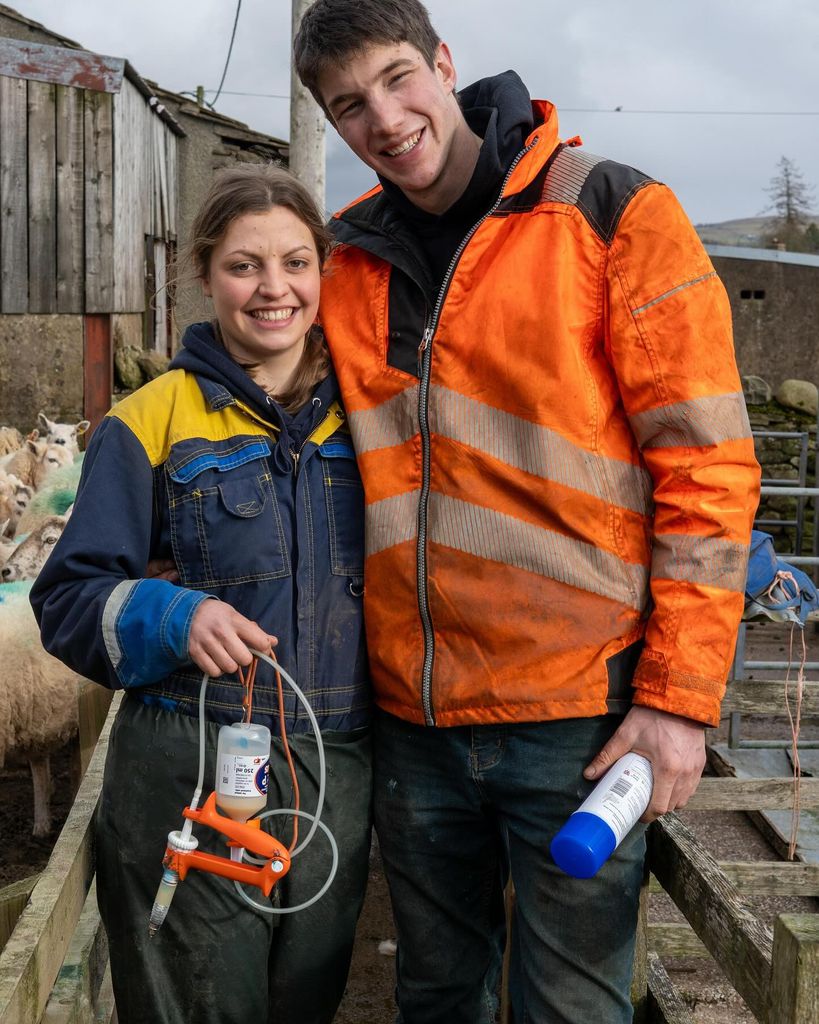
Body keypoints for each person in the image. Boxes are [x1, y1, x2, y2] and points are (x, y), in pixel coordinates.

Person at [293, 3, 761, 1022]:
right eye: (348, 106)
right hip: (412, 720)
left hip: (577, 718)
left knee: (572, 1006)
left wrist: (679, 702)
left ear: (446, 64)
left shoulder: (610, 211)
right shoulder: (342, 262)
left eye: (397, 78)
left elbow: (708, 467)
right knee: (438, 992)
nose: (383, 118)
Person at [31, 165, 371, 1024]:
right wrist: (175, 614)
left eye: (296, 263)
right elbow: (68, 598)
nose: (273, 289)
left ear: (324, 272)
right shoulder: (149, 420)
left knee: (306, 1000)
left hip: (339, 765)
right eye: (244, 265)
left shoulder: (374, 419)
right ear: (205, 274)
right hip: (190, 756)